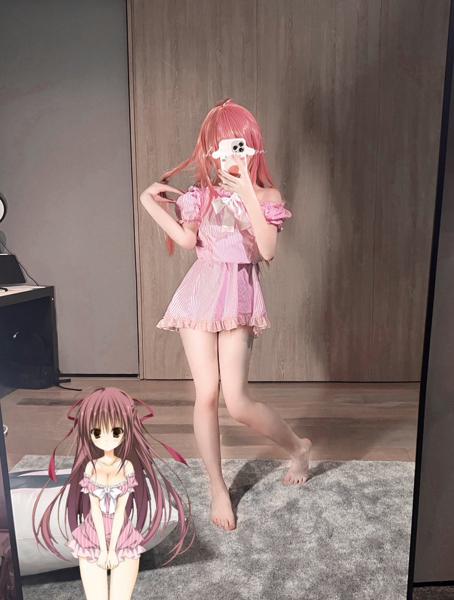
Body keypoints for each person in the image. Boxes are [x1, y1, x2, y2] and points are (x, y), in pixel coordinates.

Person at [140, 98, 313, 532]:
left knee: (236, 402)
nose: (229, 156)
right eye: (220, 147)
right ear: (209, 151)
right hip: (200, 296)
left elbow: (267, 250)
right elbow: (186, 241)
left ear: (252, 147)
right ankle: (218, 486)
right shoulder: (200, 196)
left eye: (238, 146)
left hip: (238, 296)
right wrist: (148, 201)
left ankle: (298, 446)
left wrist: (248, 193)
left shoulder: (268, 197)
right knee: (206, 395)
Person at [33, 386, 194, 600]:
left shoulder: (127, 467)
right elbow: (95, 511)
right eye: (97, 432)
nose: (107, 439)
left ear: (127, 430)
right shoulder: (90, 468)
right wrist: (102, 549)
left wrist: (112, 550)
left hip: (123, 535)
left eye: (116, 431)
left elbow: (120, 511)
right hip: (92, 536)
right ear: (89, 432)